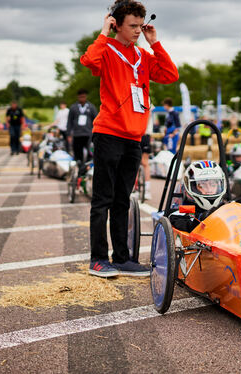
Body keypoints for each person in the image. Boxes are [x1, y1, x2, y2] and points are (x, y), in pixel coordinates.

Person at [81, 0, 179, 277]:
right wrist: (104, 32)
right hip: (108, 133)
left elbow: (171, 75)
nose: (137, 30)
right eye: (132, 26)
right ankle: (98, 259)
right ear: (117, 25)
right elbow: (89, 60)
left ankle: (122, 258)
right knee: (102, 200)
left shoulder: (143, 56)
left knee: (123, 199)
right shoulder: (108, 50)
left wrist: (154, 43)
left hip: (134, 137)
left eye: (140, 25)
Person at [169, 160, 227, 232]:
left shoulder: (224, 207)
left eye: (213, 185)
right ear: (192, 187)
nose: (209, 190)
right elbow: (175, 219)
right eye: (202, 185)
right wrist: (202, 218)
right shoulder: (185, 208)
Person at [67, 89, 97, 163]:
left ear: (86, 97)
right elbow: (69, 121)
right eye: (80, 97)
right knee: (77, 154)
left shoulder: (91, 107)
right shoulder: (73, 107)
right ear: (78, 97)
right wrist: (69, 134)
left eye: (83, 97)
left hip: (88, 134)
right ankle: (79, 167)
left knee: (90, 153)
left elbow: (96, 120)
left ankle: (86, 168)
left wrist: (95, 133)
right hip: (77, 134)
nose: (82, 98)